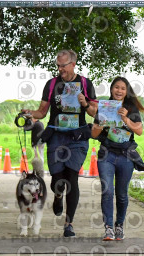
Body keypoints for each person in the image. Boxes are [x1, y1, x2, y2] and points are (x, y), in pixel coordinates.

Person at [22, 49, 97, 237]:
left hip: (77, 138)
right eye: (58, 65)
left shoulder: (85, 84)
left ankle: (68, 224)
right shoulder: (52, 84)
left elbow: (95, 112)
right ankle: (57, 196)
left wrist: (85, 104)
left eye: (63, 65)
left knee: (72, 178)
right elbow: (42, 112)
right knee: (58, 180)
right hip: (56, 135)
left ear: (73, 64)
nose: (60, 69)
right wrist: (29, 113)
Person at [91, 76, 144, 241]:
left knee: (122, 194)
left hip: (126, 156)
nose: (119, 91)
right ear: (111, 89)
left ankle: (119, 225)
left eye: (122, 88)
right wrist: (101, 124)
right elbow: (93, 134)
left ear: (126, 91)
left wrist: (125, 119)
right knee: (107, 191)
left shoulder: (131, 109)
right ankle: (108, 228)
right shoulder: (105, 108)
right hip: (106, 154)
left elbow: (139, 131)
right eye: (116, 87)